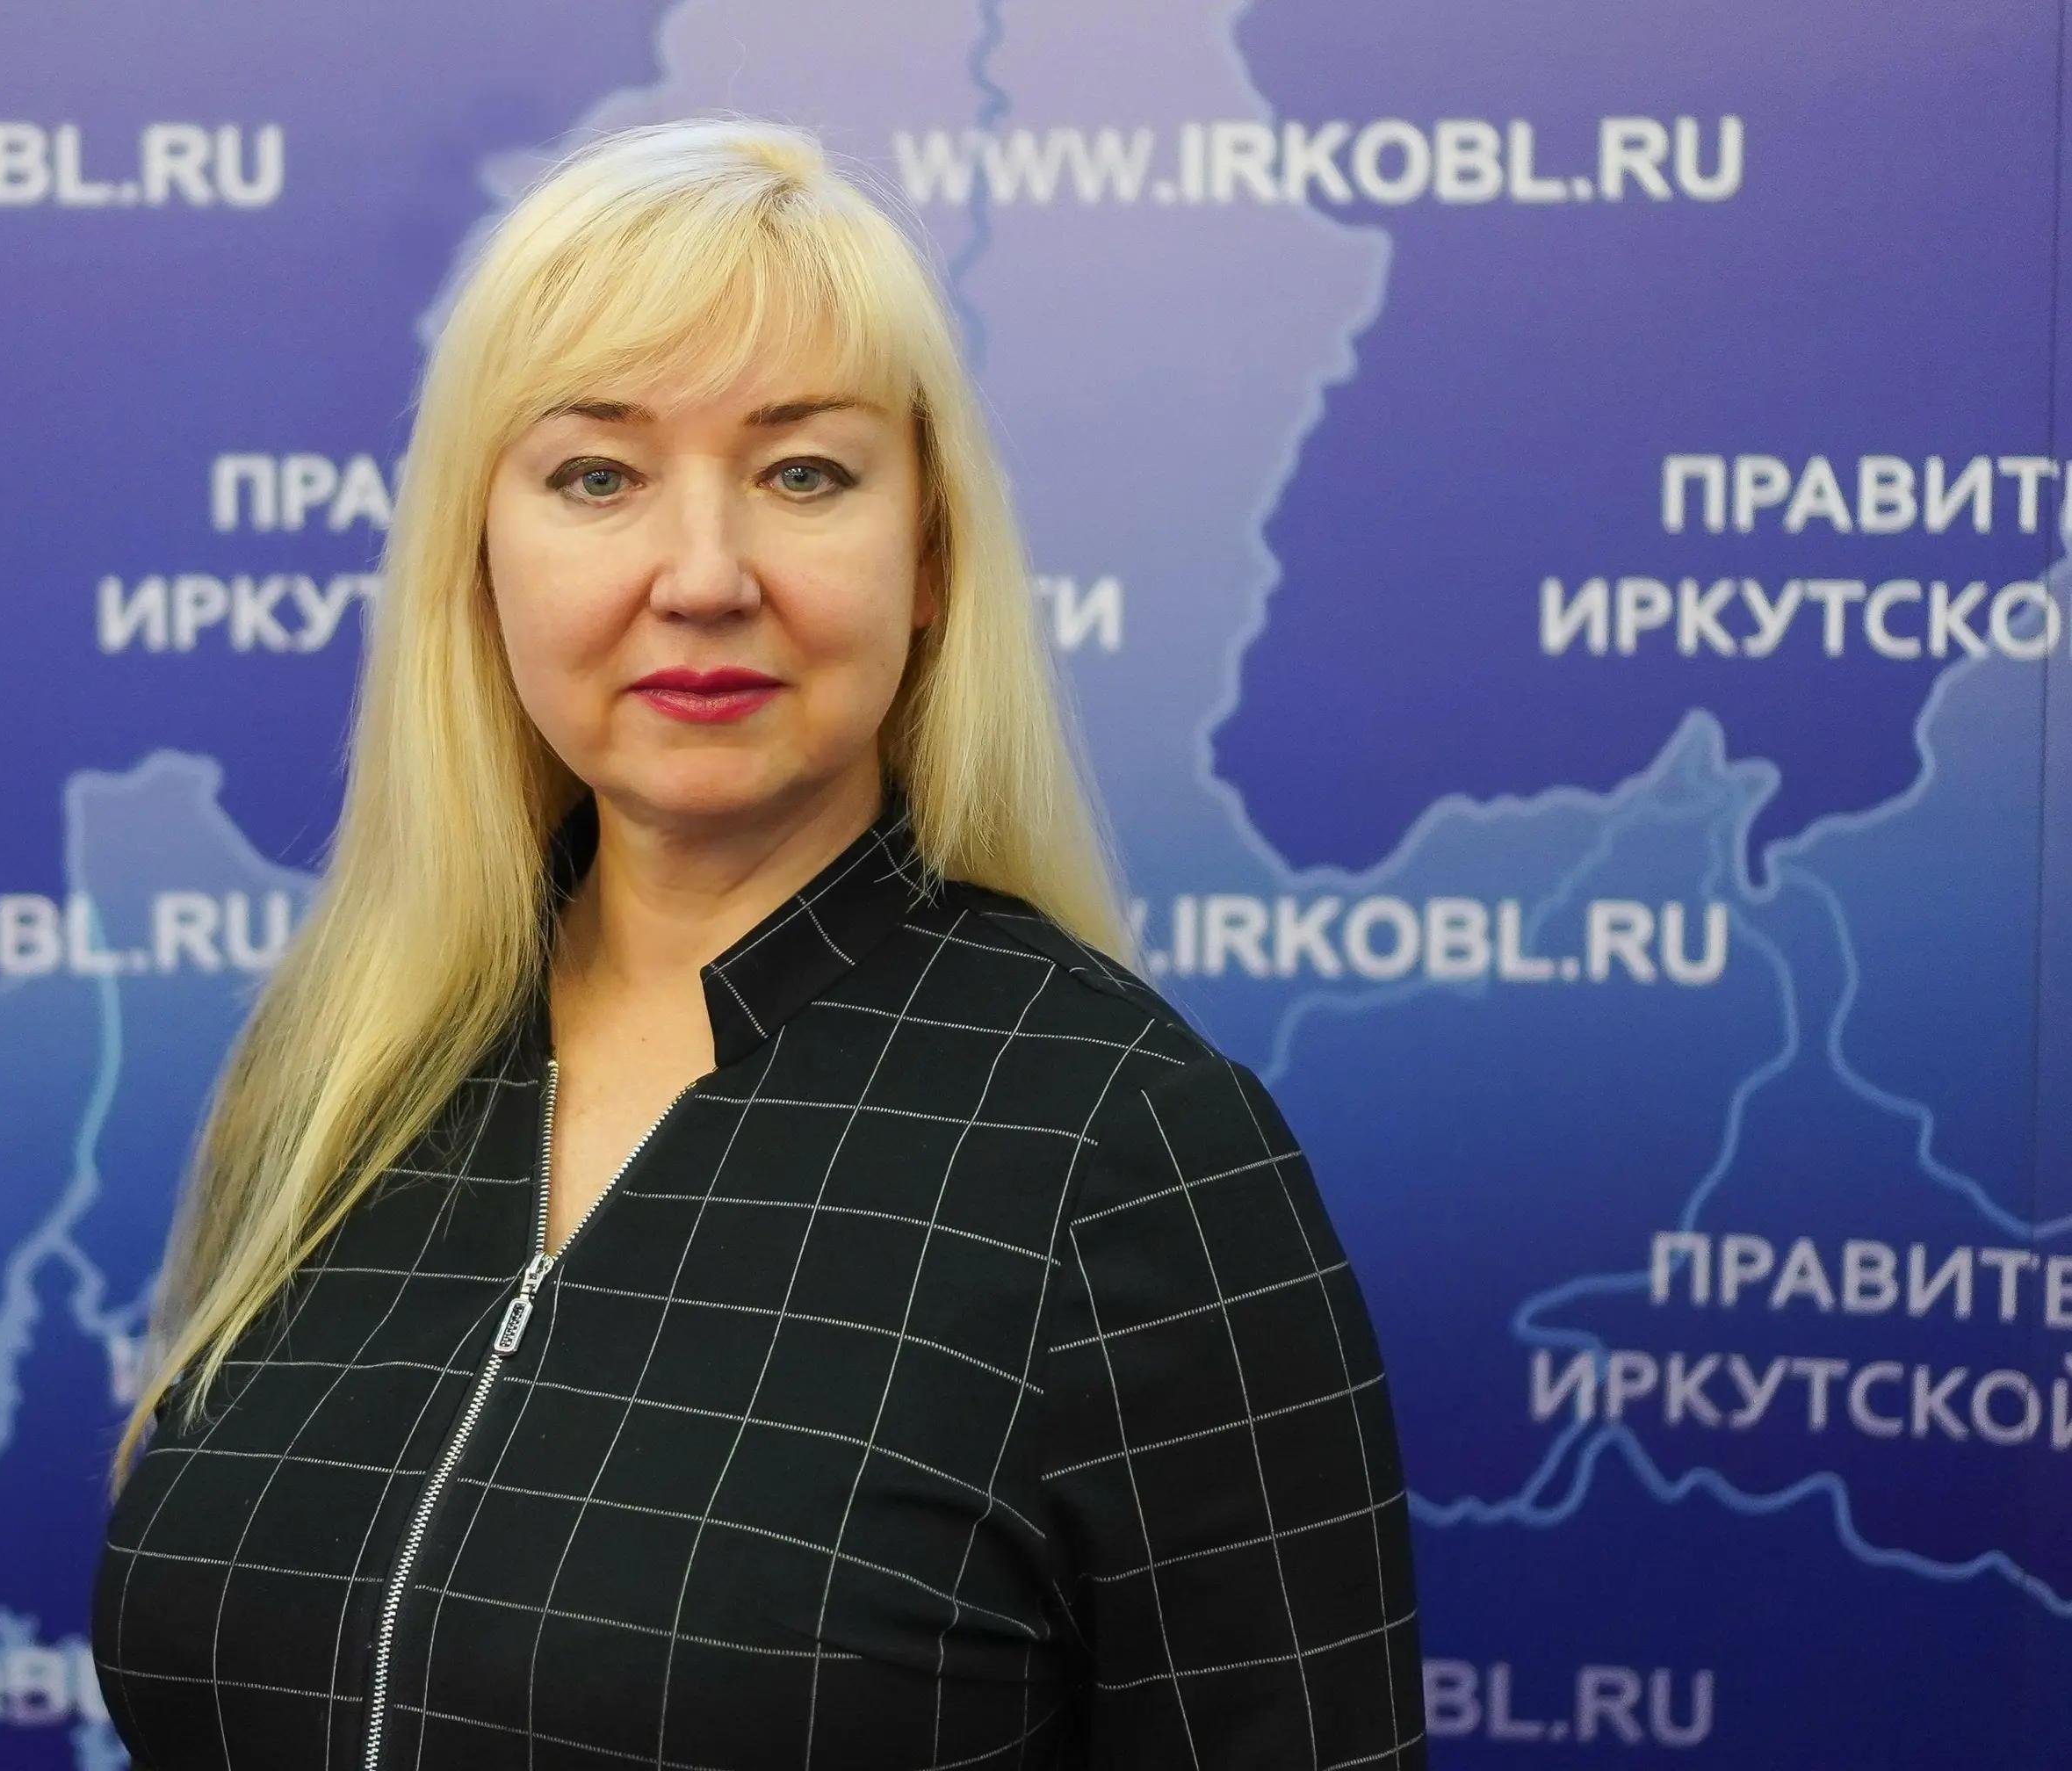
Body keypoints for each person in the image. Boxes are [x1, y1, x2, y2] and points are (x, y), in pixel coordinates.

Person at [90, 113, 1422, 1769]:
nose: (702, 576)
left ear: (927, 557)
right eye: (597, 476)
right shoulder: (343, 1064)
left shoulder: (1128, 1157)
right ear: (478, 557)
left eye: (803, 473)